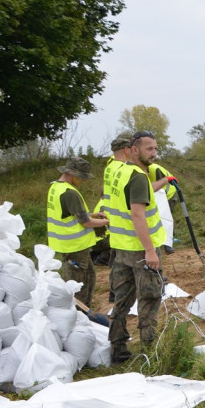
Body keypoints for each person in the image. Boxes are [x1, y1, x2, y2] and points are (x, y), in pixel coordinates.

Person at [106, 131, 167, 364]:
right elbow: (138, 215)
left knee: (122, 299)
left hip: (121, 248)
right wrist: (150, 251)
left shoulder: (116, 170)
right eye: (149, 149)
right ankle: (150, 350)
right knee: (150, 297)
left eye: (155, 148)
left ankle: (118, 347)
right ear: (133, 150)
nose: (154, 154)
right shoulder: (137, 177)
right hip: (140, 249)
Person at [46, 157, 110, 307]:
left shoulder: (55, 187)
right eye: (82, 177)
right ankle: (79, 316)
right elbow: (85, 222)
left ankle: (83, 312)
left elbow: (70, 215)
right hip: (75, 246)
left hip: (70, 245)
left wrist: (95, 215)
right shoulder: (70, 193)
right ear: (72, 174)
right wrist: (108, 222)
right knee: (80, 286)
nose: (83, 181)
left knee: (90, 277)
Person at [91, 132, 132, 268]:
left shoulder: (110, 166)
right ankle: (103, 258)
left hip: (103, 234)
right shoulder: (123, 167)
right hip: (108, 236)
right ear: (127, 148)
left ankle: (102, 257)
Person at [147, 160, 178, 254]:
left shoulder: (154, 169)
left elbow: (159, 186)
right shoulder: (150, 168)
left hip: (168, 195)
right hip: (160, 195)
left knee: (165, 218)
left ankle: (168, 244)